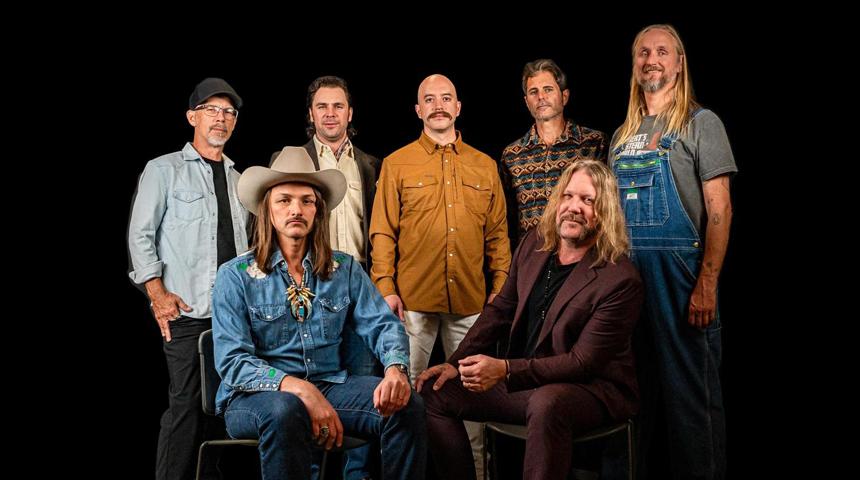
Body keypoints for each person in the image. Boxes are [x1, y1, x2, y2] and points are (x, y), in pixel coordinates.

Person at [417, 160, 643, 480]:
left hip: (592, 390)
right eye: (567, 196)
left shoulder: (620, 279)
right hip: (530, 382)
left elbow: (583, 362)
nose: (573, 207)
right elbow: (500, 310)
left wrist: (506, 370)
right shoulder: (534, 243)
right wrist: (455, 363)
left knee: (548, 403)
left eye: (587, 200)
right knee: (435, 391)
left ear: (604, 212)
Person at [212, 147, 426, 480]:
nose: (296, 209)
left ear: (318, 210)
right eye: (284, 200)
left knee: (406, 404)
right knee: (286, 409)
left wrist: (396, 370)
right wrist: (298, 388)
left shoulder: (345, 269)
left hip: (329, 386)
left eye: (306, 201)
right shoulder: (235, 275)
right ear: (267, 210)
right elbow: (232, 362)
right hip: (255, 398)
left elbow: (383, 325)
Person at [609, 24, 736, 480]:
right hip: (628, 284)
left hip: (681, 281)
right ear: (634, 64)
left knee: (691, 400)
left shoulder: (702, 124)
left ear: (679, 62)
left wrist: (706, 283)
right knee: (631, 397)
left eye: (663, 51)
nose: (652, 59)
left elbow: (720, 209)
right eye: (643, 52)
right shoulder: (622, 135)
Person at [369, 74, 511, 479]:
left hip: (471, 303)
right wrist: (385, 288)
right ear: (418, 110)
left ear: (459, 107)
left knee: (473, 401)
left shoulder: (484, 165)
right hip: (410, 303)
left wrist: (499, 292)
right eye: (429, 99)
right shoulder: (397, 163)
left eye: (446, 98)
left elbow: (498, 237)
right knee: (401, 398)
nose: (438, 105)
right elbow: (383, 231)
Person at [128, 77, 249, 480]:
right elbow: (140, 235)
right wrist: (156, 293)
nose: (221, 119)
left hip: (233, 317)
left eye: (229, 112)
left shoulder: (239, 180)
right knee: (186, 407)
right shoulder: (163, 170)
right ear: (192, 117)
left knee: (223, 411)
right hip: (186, 310)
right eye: (212, 110)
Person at [276, 75, 383, 479]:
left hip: (356, 292)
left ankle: (356, 474)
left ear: (350, 113)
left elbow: (381, 230)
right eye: (322, 106)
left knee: (362, 384)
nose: (331, 113)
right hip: (306, 292)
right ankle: (313, 471)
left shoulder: (371, 165)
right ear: (311, 114)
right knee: (311, 386)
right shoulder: (291, 160)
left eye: (338, 106)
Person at [500, 59, 607, 243]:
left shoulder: (594, 144)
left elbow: (608, 207)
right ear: (527, 102)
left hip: (583, 258)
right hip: (531, 262)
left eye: (548, 89)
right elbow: (505, 221)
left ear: (564, 96)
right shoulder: (512, 155)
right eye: (534, 92)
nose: (541, 96)